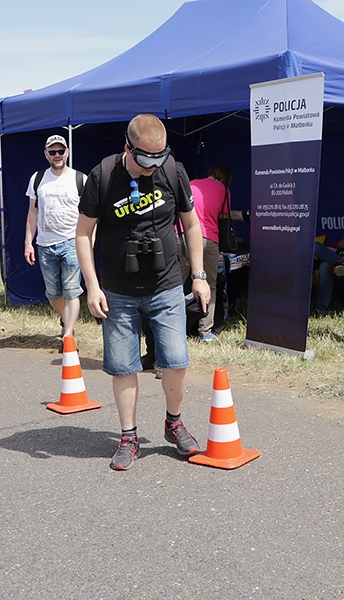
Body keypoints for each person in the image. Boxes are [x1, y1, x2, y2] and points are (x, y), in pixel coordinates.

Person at [75, 114, 210, 471]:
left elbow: (192, 224)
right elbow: (83, 234)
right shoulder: (102, 176)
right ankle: (128, 436)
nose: (153, 165)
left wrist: (199, 275)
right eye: (146, 158)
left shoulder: (172, 170)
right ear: (127, 147)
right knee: (123, 367)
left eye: (160, 156)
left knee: (177, 361)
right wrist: (92, 286)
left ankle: (174, 422)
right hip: (117, 290)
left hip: (165, 285)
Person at [24, 135, 84, 341]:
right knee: (52, 294)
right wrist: (28, 243)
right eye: (52, 152)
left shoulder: (80, 178)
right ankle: (67, 321)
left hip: (71, 242)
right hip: (45, 244)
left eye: (60, 151)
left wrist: (88, 241)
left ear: (67, 152)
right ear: (46, 154)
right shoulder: (37, 178)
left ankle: (68, 335)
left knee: (72, 290)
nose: (57, 155)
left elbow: (89, 215)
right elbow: (32, 213)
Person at [180, 163, 233, 342]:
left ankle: (173, 328)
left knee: (175, 286)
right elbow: (223, 218)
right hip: (208, 239)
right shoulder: (224, 191)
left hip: (182, 235)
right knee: (210, 284)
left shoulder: (192, 184)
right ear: (225, 179)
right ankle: (205, 332)